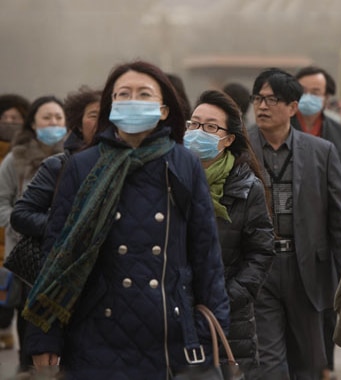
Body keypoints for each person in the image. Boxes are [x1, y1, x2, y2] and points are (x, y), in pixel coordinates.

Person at [22, 60, 229, 379]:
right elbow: (56, 254)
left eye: (144, 94)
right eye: (123, 94)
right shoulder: (82, 166)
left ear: (163, 110)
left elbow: (207, 258)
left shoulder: (184, 164)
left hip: (168, 333)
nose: (132, 100)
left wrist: (207, 331)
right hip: (94, 333)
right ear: (111, 106)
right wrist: (44, 337)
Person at [246, 68, 341, 380]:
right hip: (260, 268)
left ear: (293, 107)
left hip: (307, 269)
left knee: (308, 363)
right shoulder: (242, 149)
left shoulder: (321, 151)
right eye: (258, 99)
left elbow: (340, 220)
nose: (263, 106)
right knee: (269, 363)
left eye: (272, 99)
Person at [184, 89, 274, 373]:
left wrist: (224, 296)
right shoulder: (167, 177)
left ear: (228, 139)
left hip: (227, 319)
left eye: (210, 127)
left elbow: (260, 252)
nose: (199, 131)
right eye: (194, 124)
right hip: (173, 311)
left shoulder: (247, 189)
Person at [0, 95, 65, 373]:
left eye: (59, 118)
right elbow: (2, 200)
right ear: (34, 123)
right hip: (27, 256)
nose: (54, 123)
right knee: (31, 329)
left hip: (64, 257)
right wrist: (19, 223)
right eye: (47, 118)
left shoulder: (75, 156)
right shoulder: (15, 159)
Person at [11, 86, 101, 262]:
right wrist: (67, 227)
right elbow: (20, 215)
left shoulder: (132, 163)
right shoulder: (58, 165)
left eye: (107, 115)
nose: (102, 122)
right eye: (93, 115)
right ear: (79, 125)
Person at [293, 65, 341, 189]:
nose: (307, 96)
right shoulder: (282, 128)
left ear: (326, 97)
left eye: (315, 92)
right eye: (303, 91)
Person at [0, 93, 30, 350]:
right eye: (5, 117)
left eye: (16, 118)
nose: (9, 123)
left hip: (16, 241)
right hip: (8, 232)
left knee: (16, 301)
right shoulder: (11, 162)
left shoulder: (25, 155)